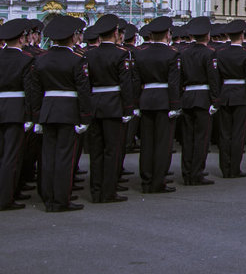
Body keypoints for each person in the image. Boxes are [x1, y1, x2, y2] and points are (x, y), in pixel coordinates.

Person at [31, 16, 92, 212]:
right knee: (65, 157)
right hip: (68, 110)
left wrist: (37, 116)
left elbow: (35, 90)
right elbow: (83, 90)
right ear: (73, 37)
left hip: (48, 110)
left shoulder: (41, 59)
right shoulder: (77, 59)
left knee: (48, 156)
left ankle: (48, 197)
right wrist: (85, 116)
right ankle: (61, 199)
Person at [82, 14, 135, 202]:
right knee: (112, 150)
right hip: (113, 105)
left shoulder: (88, 54)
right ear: (115, 33)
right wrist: (128, 108)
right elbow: (125, 84)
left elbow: (85, 83)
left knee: (96, 152)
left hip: (95, 104)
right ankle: (108, 191)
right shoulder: (121, 54)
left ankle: (95, 191)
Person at [131, 16, 181, 193]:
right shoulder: (172, 53)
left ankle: (146, 179)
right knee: (162, 143)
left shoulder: (140, 53)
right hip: (164, 100)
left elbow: (136, 81)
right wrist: (175, 105)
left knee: (147, 143)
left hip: (146, 99)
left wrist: (136, 103)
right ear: (168, 34)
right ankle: (158, 181)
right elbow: (174, 83)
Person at [0, 19, 36, 211]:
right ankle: (6, 197)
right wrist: (30, 115)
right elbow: (29, 90)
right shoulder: (25, 59)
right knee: (11, 156)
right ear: (21, 38)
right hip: (15, 109)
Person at [178, 17, 219, 183]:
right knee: (201, 138)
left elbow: (179, 78)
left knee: (187, 138)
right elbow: (213, 78)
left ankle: (187, 171)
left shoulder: (183, 53)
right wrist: (216, 100)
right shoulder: (210, 53)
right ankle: (197, 173)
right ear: (207, 36)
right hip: (203, 97)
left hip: (187, 97)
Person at [214, 20, 246, 178]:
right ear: (242, 35)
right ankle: (234, 168)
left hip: (225, 95)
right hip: (241, 96)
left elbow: (216, 78)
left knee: (225, 133)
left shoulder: (220, 53)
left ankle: (224, 168)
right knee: (238, 134)